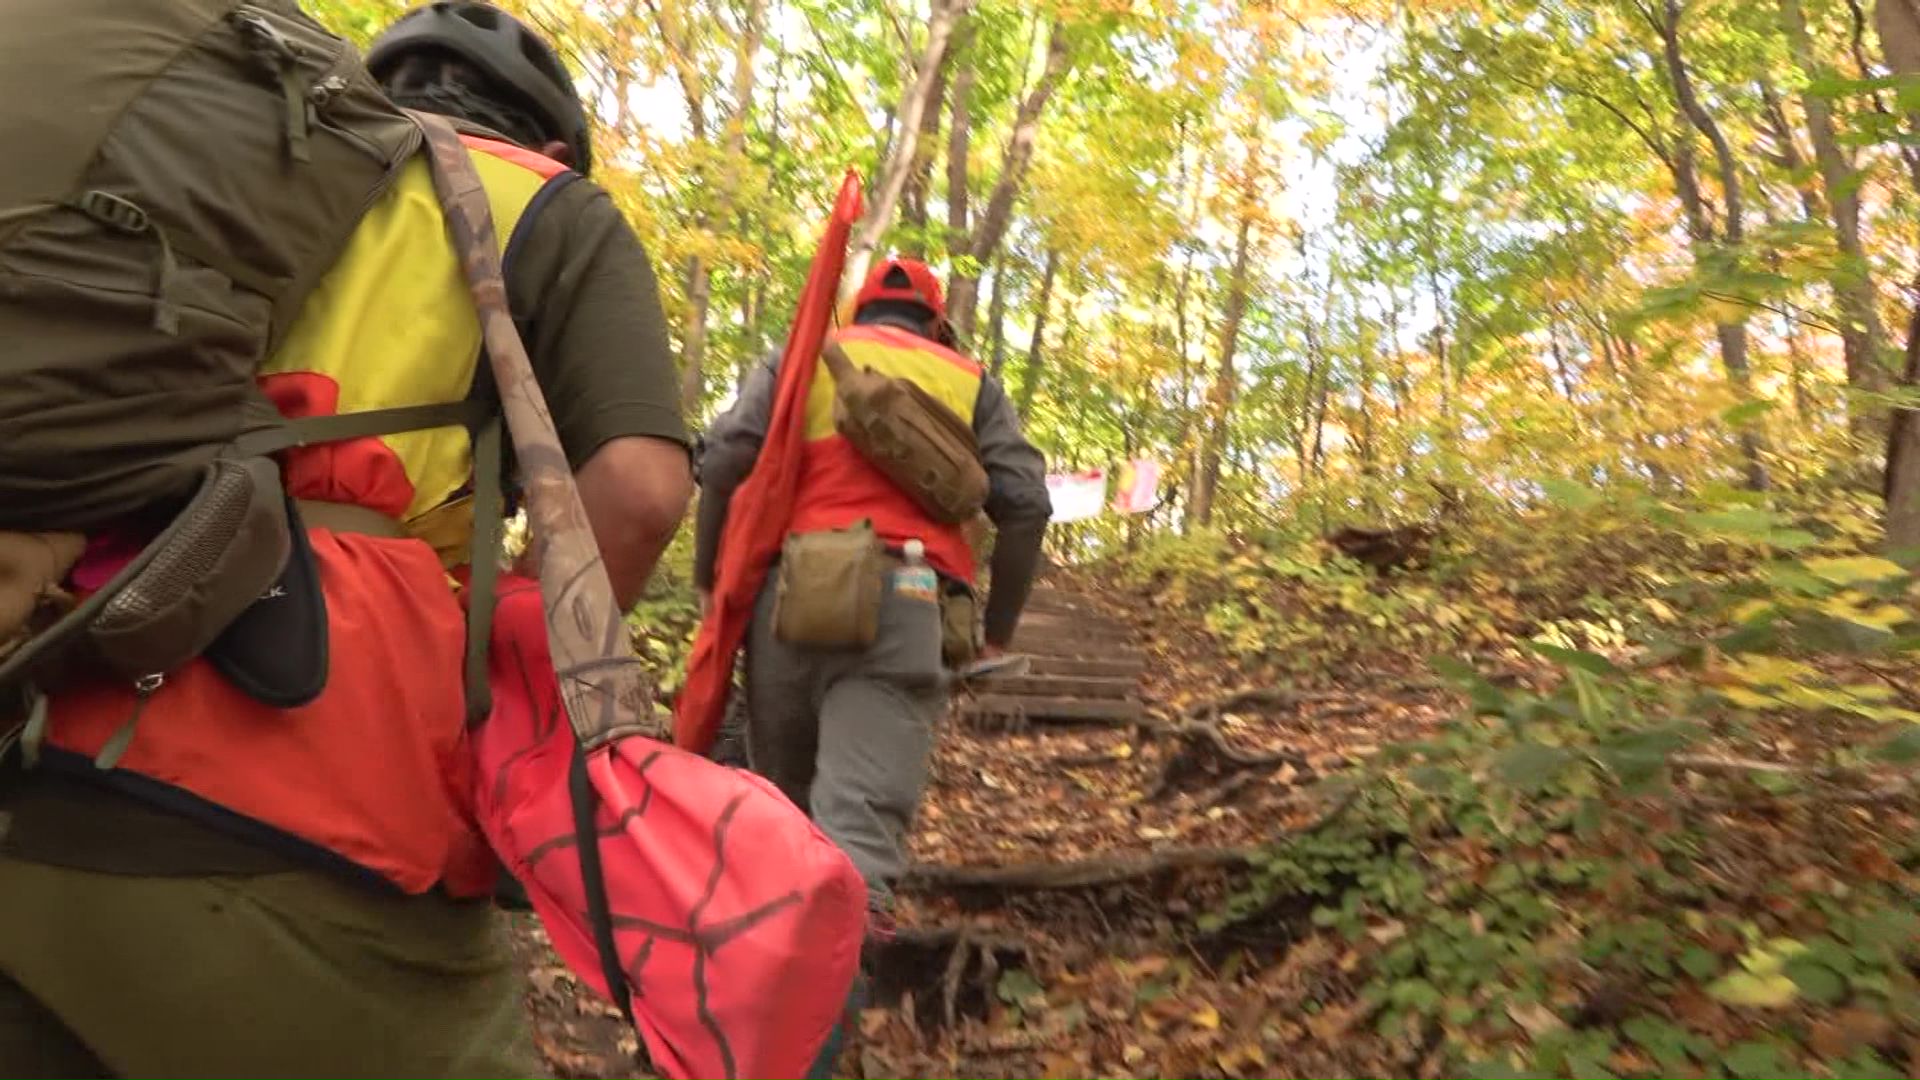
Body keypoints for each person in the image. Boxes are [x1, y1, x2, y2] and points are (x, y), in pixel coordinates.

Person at [0, 4, 691, 1077]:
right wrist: (523, 650)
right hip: (330, 795)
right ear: (550, 143)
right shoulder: (539, 202)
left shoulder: (249, 170)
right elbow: (641, 491)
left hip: (52, 744)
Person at [694, 255, 1051, 921]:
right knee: (856, 850)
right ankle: (830, 1010)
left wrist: (709, 582)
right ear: (937, 322)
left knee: (780, 830)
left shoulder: (803, 356)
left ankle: (756, 1006)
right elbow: (1026, 506)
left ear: (860, 311)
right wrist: (995, 633)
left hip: (792, 600)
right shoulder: (970, 380)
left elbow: (722, 460)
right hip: (908, 606)